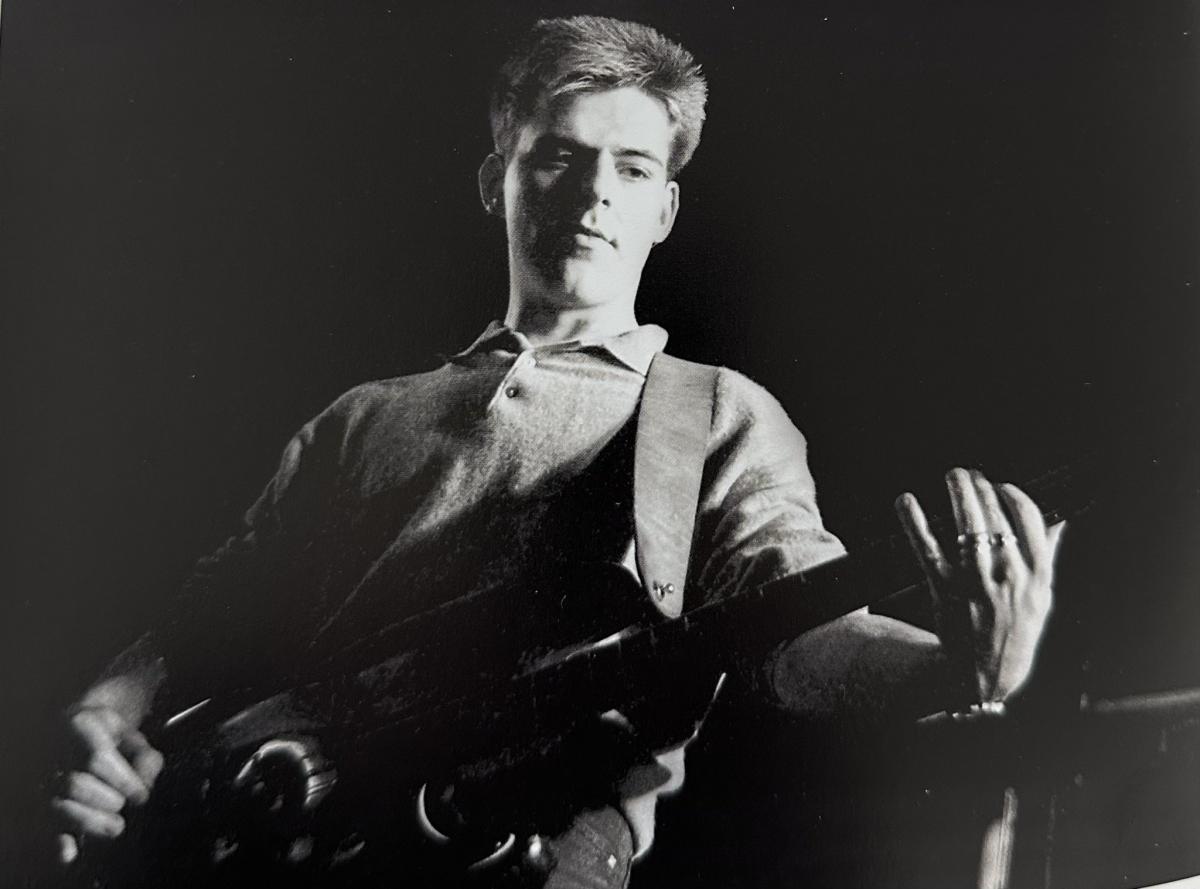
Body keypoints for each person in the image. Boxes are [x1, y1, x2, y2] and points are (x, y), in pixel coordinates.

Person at [47, 15, 1063, 888]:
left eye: (633, 168)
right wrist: (105, 708)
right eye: (559, 157)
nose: (595, 192)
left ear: (664, 210)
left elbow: (798, 640)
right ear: (499, 180)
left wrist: (961, 669)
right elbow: (214, 612)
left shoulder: (712, 412)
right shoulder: (360, 418)